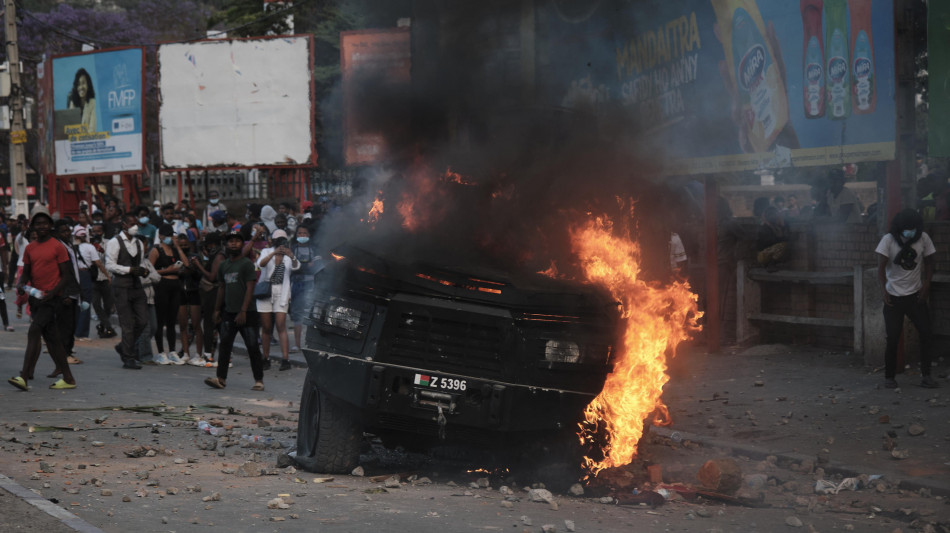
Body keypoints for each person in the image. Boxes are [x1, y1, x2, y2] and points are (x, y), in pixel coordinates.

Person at [7, 213, 76, 391]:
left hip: (52, 299)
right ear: (33, 227)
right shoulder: (30, 248)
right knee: (52, 338)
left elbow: (67, 275)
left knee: (34, 330)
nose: (42, 226)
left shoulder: (58, 247)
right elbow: (27, 273)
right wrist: (22, 283)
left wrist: (53, 293)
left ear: (50, 225)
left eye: (45, 223)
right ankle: (68, 378)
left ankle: (23, 377)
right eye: (38, 224)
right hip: (37, 297)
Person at [876, 209, 940, 389]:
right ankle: (889, 377)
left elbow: (930, 262)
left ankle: (926, 376)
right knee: (893, 338)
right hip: (893, 299)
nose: (909, 231)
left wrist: (927, 284)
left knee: (927, 334)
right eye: (906, 228)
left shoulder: (923, 239)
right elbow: (880, 269)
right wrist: (884, 291)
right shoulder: (888, 240)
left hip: (916, 297)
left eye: (913, 228)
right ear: (899, 228)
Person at [206, 231, 265, 391]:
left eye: (237, 241)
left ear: (242, 245)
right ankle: (221, 378)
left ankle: (258, 380)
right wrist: (217, 309)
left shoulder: (246, 264)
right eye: (230, 241)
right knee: (224, 345)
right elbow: (221, 288)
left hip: (248, 313)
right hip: (229, 312)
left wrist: (243, 311)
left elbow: (250, 288)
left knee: (252, 346)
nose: (233, 244)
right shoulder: (224, 265)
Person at [105, 213, 151, 370]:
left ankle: (124, 347)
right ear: (123, 225)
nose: (135, 227)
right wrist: (129, 269)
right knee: (127, 323)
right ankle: (128, 357)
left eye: (136, 223)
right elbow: (109, 265)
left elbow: (142, 261)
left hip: (136, 285)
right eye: (132, 224)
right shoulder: (114, 242)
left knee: (143, 321)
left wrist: (143, 270)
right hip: (121, 285)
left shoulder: (138, 242)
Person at [256, 229, 299, 370]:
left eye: (282, 240)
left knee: (281, 325)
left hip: (282, 291)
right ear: (273, 241)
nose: (280, 243)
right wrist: (274, 254)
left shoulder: (288, 255)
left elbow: (297, 266)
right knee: (266, 327)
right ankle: (265, 358)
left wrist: (291, 256)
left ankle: (285, 359)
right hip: (266, 291)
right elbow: (260, 264)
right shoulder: (266, 252)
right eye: (277, 240)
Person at [149, 224, 187, 365]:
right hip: (162, 286)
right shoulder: (156, 250)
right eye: (167, 235)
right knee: (160, 320)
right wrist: (167, 270)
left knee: (172, 321)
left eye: (171, 235)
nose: (170, 238)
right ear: (160, 236)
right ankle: (160, 352)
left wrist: (177, 247)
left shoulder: (174, 250)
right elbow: (149, 271)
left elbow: (186, 263)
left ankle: (172, 351)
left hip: (175, 287)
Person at [191, 232, 224, 367]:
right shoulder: (217, 254)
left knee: (210, 324)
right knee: (214, 324)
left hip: (214, 293)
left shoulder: (219, 256)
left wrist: (198, 265)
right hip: (213, 293)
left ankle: (208, 356)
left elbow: (212, 277)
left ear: (212, 244)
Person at [289, 224, 321, 353]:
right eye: (299, 233)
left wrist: (300, 266)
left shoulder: (314, 249)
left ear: (309, 235)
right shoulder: (292, 249)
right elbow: (291, 267)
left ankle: (312, 345)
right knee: (297, 315)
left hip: (310, 285)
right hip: (296, 286)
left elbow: (316, 266)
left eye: (304, 233)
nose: (302, 236)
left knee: (311, 314)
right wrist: (306, 265)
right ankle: (297, 344)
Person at [176, 233, 203, 362]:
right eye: (181, 245)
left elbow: (196, 272)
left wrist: (190, 270)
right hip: (181, 292)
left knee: (196, 324)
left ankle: (198, 354)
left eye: (185, 245)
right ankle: (185, 353)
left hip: (194, 291)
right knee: (183, 325)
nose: (184, 247)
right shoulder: (176, 257)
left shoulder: (195, 257)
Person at [88, 222, 117, 338]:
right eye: (94, 231)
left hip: (107, 278)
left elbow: (113, 258)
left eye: (98, 231)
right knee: (95, 304)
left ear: (103, 232)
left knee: (108, 305)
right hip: (94, 279)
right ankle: (108, 327)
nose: (96, 234)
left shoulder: (109, 243)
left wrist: (102, 251)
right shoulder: (88, 244)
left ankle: (102, 325)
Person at [756, 206, 790, 270]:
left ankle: (773, 264)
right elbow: (770, 242)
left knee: (784, 245)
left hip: (770, 253)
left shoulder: (777, 226)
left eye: (774, 214)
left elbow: (786, 238)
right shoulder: (764, 227)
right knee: (782, 245)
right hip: (763, 255)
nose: (773, 216)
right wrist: (779, 233)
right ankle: (771, 264)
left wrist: (782, 227)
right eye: (771, 214)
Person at [68, 68, 96, 132]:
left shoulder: (92, 103)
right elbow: (70, 128)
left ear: (88, 85)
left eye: (83, 83)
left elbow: (92, 129)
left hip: (87, 140)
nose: (81, 87)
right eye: (78, 84)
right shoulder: (72, 102)